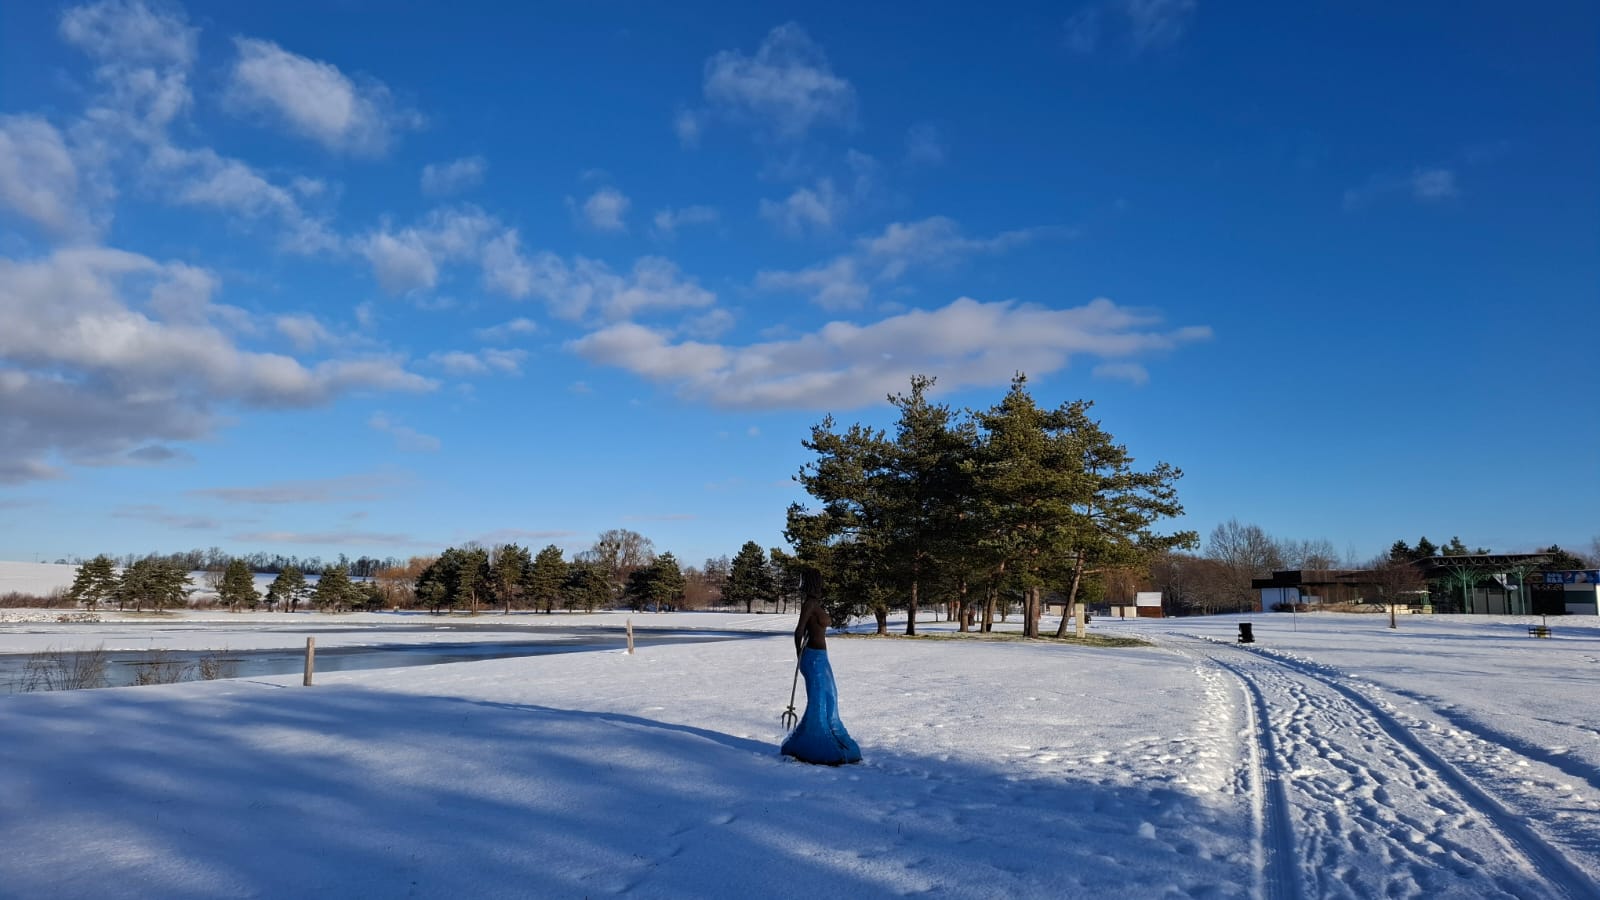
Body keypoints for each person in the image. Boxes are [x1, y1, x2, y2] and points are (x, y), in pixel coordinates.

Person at [780, 570, 862, 765]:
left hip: (822, 657)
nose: (820, 587)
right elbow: (799, 630)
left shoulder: (817, 604)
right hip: (811, 657)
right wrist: (799, 654)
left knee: (831, 694)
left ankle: (836, 736)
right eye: (817, 583)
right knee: (818, 700)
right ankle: (816, 741)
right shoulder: (809, 604)